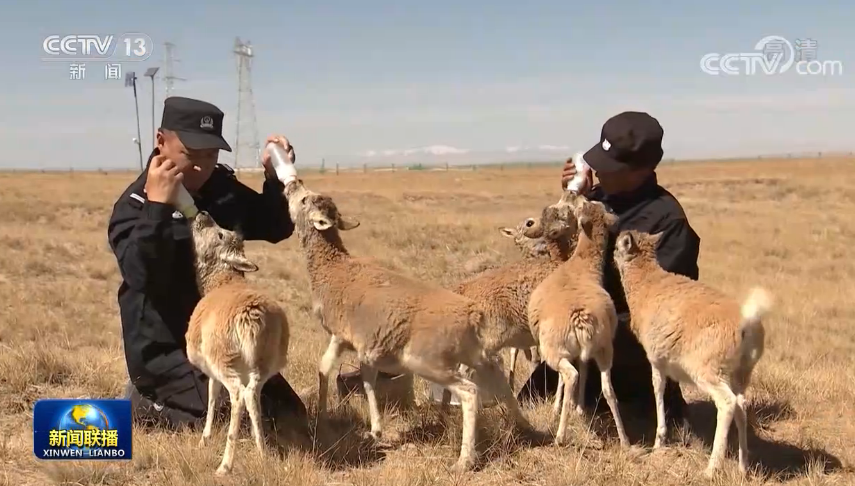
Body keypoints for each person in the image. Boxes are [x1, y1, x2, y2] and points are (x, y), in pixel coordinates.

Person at [107, 96, 308, 445]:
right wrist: (157, 209)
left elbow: (274, 226)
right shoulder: (135, 206)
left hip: (223, 338)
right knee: (233, 420)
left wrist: (275, 177)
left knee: (289, 415)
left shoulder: (218, 187)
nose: (201, 167)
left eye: (211, 155)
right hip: (168, 349)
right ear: (161, 141)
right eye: (191, 155)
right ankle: (146, 403)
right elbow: (142, 276)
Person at [518, 111, 700, 428]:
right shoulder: (595, 198)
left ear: (642, 170)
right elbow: (565, 261)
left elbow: (664, 315)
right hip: (574, 338)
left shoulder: (669, 223)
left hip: (628, 362)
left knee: (617, 424)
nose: (599, 171)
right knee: (526, 414)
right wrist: (572, 200)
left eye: (610, 166)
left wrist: (590, 325)